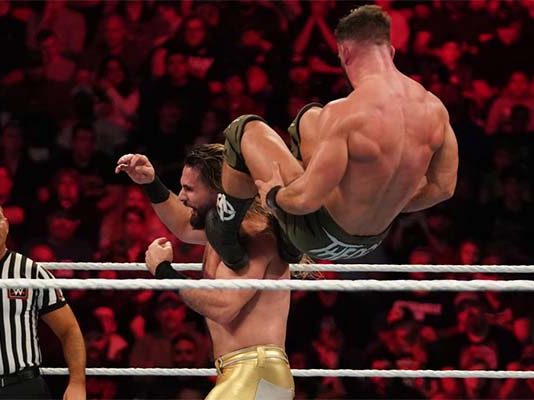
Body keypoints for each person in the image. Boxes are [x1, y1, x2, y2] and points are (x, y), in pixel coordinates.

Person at [204, 5, 459, 269]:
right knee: (310, 117)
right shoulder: (434, 108)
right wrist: (386, 201)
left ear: (345, 53)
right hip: (372, 240)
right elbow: (443, 188)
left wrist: (273, 197)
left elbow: (305, 200)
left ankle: (225, 231)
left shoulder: (346, 113)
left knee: (244, 129)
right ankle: (287, 242)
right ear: (391, 52)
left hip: (319, 236)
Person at [116, 145, 295, 400]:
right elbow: (183, 225)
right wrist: (151, 182)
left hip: (255, 371)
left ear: (219, 190)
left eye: (189, 189)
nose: (181, 196)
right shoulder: (222, 231)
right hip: (244, 373)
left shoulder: (253, 232)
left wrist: (164, 271)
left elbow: (224, 306)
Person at [0, 206, 86, 399]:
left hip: (22, 386)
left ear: (6, 224)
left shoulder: (29, 271)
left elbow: (69, 330)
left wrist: (77, 383)